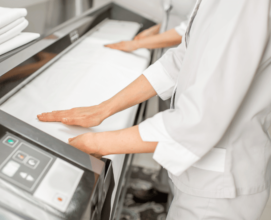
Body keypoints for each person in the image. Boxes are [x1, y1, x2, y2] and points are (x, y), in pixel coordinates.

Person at [38, 0, 271, 219]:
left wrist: (99, 144)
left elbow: (198, 119)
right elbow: (181, 59)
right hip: (204, 174)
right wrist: (103, 109)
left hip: (222, 186)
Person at [104, 21, 187, 52]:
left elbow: (185, 30)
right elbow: (176, 17)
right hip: (162, 44)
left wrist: (135, 44)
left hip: (179, 49)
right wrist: (154, 30)